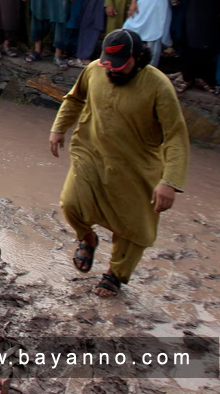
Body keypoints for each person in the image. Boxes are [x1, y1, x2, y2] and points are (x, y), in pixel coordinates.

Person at [50, 29, 189, 298]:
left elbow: (175, 136)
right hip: (91, 152)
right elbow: (75, 98)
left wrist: (169, 181)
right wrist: (59, 128)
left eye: (120, 64)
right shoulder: (93, 70)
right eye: (107, 63)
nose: (112, 69)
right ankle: (87, 237)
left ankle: (115, 274)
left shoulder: (159, 86)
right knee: (71, 203)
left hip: (136, 165)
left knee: (133, 226)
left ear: (138, 58)